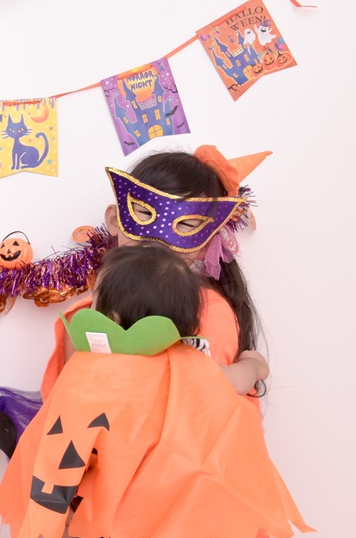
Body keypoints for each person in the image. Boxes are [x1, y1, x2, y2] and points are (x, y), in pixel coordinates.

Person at [0, 243, 308, 538]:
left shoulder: (86, 373)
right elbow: (236, 379)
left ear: (112, 319)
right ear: (186, 322)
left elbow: (60, 462)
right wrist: (255, 365)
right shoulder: (193, 369)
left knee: (69, 506)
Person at [43, 146, 274, 402]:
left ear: (205, 245)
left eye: (185, 224)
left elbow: (210, 398)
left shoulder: (210, 311)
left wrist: (248, 370)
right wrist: (251, 368)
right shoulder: (86, 315)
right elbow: (70, 399)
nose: (158, 237)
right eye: (144, 212)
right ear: (114, 219)